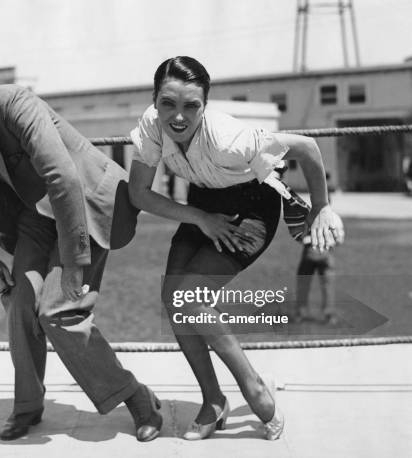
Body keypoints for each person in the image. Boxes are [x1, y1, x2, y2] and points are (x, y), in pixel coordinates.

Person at [0, 63, 161, 442]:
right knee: (19, 304)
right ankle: (28, 407)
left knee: (58, 310)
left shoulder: (10, 102)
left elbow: (61, 176)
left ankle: (136, 397)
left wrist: (72, 262)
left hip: (85, 204)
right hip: (37, 218)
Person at [128, 56, 345, 441]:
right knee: (172, 298)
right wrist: (198, 216)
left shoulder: (231, 138)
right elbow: (138, 193)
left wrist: (323, 205)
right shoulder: (151, 126)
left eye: (191, 106)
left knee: (190, 298)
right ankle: (213, 401)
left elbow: (307, 147)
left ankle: (254, 389)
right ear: (155, 99)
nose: (178, 117)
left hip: (251, 209)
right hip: (203, 206)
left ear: (205, 106)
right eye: (168, 104)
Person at [294, 172, 337, 324]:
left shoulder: (309, 217)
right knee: (327, 285)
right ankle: (329, 314)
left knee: (304, 282)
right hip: (326, 252)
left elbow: (301, 235)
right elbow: (339, 237)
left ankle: (301, 311)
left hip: (310, 251)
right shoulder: (334, 217)